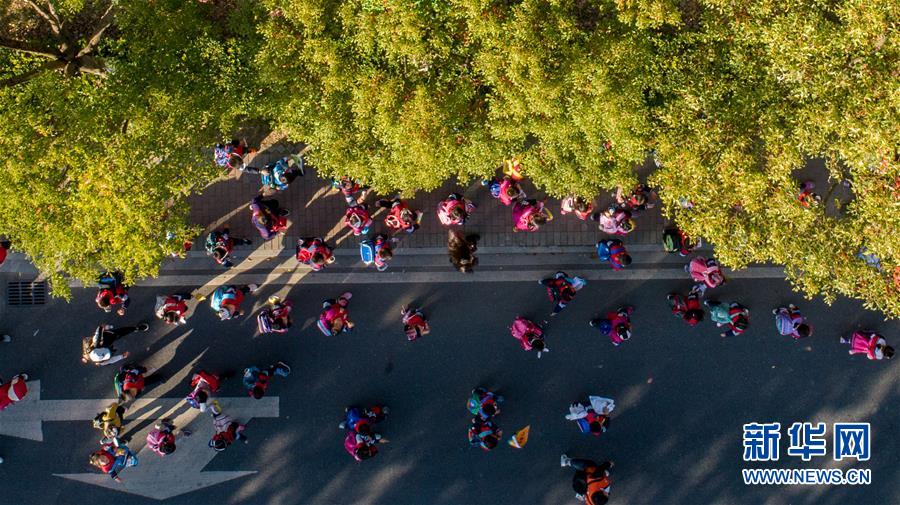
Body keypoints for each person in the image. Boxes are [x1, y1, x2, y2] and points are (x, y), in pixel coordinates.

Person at [82, 323, 149, 366]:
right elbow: (111, 360)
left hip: (107, 336)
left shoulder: (96, 341)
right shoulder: (100, 362)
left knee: (121, 332)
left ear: (99, 348)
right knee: (118, 335)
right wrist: (122, 356)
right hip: (106, 342)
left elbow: (98, 330)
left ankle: (136, 328)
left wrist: (103, 327)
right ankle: (133, 329)